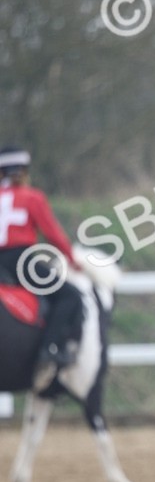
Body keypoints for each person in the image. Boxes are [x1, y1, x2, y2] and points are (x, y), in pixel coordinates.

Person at [0, 146, 84, 387]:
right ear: (24, 171)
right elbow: (53, 234)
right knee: (70, 296)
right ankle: (50, 348)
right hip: (22, 262)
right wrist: (72, 260)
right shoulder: (32, 197)